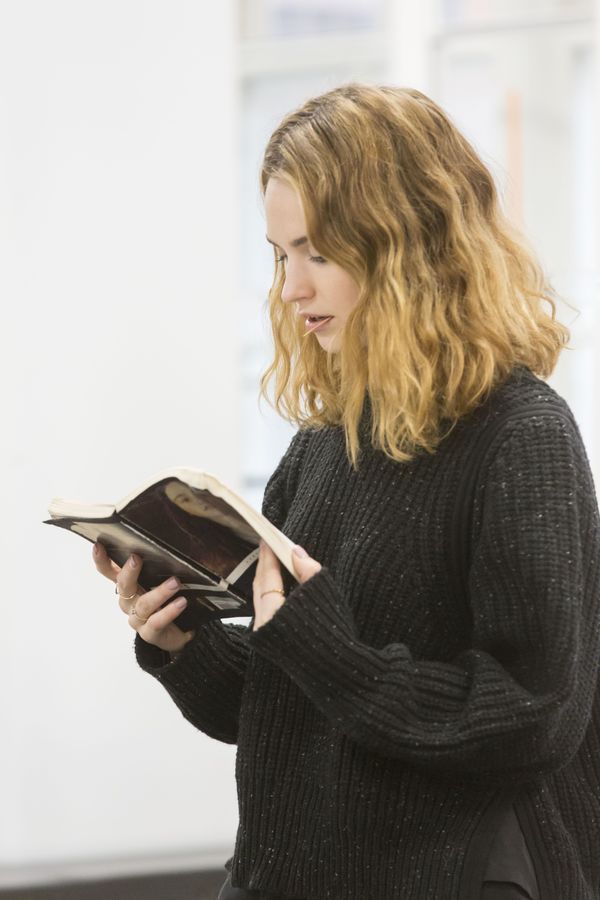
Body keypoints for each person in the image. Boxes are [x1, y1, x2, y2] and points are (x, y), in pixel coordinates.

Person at [92, 83, 600, 900]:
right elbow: (283, 711)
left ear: (408, 247)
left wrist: (324, 646)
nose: (291, 288)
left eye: (317, 253)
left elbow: (532, 717)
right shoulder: (328, 441)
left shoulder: (521, 436)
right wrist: (184, 640)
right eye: (280, 253)